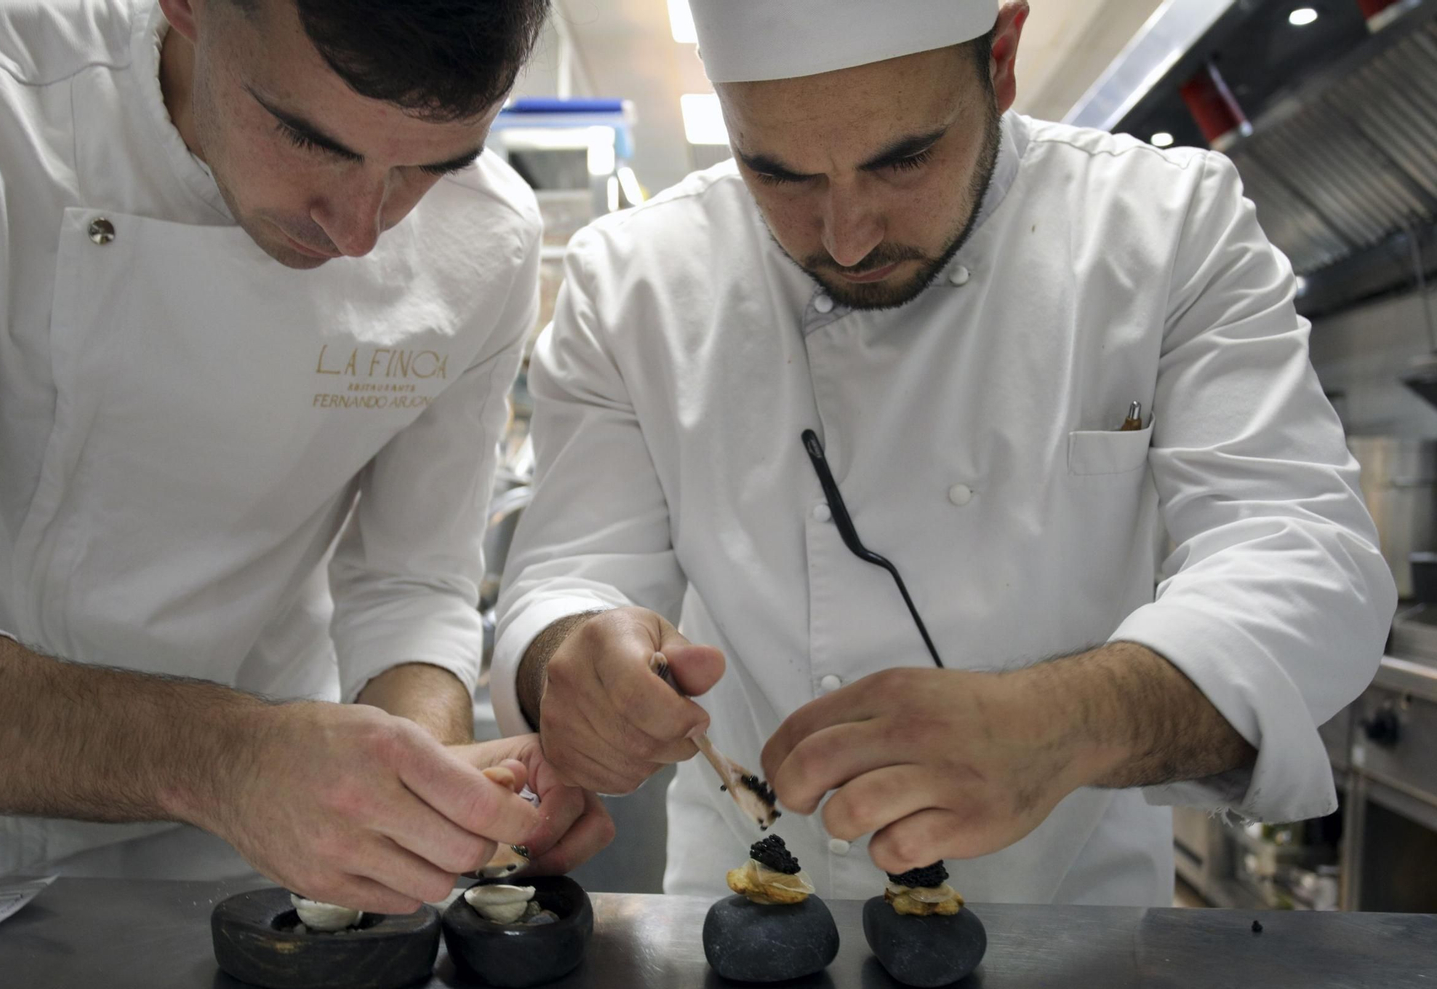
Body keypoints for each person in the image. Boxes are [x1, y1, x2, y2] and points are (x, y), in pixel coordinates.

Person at [491, 0, 1394, 904]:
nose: (847, 238)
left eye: (905, 159)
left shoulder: (1165, 230)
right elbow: (571, 572)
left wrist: (1069, 722)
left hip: (1076, 936)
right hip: (746, 918)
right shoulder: (634, 282)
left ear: (1001, 58)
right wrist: (573, 656)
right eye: (778, 173)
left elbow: (1303, 555)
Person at [0, 0, 611, 912]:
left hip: (258, 863)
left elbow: (411, 586)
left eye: (431, 168)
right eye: (311, 139)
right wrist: (224, 755)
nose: (360, 231)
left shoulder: (490, 238)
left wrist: (423, 787)